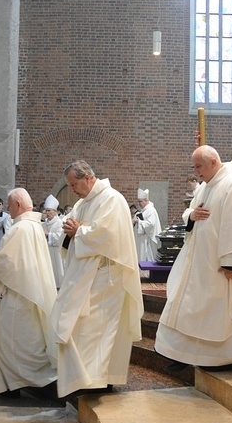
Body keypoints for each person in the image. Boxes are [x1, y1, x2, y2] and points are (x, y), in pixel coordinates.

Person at [155, 146, 232, 371]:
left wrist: (231, 262)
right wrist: (191, 215)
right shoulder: (206, 186)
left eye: (199, 166)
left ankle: (219, 358)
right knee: (189, 305)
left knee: (217, 311)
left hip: (219, 264)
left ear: (213, 162)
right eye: (195, 167)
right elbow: (190, 211)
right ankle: (182, 353)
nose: (196, 172)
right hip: (199, 260)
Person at [49, 160, 144, 397]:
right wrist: (72, 229)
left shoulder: (112, 199)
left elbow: (108, 236)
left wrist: (78, 230)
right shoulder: (83, 203)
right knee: (83, 330)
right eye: (70, 185)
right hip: (87, 277)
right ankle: (85, 378)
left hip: (107, 278)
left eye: (74, 184)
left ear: (89, 177)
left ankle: (99, 380)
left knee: (99, 331)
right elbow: (72, 231)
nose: (72, 190)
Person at [0, 188, 58, 397]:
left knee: (6, 340)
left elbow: (7, 263)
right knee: (27, 339)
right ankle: (12, 383)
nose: (8, 209)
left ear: (18, 205)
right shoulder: (35, 226)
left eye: (9, 204)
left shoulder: (19, 229)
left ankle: (12, 384)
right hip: (29, 291)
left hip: (17, 295)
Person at [43, 194, 65, 288]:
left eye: (49, 211)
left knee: (57, 275)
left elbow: (60, 238)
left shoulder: (59, 223)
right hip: (46, 253)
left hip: (56, 254)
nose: (47, 213)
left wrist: (48, 235)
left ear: (55, 212)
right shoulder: (43, 224)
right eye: (46, 211)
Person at [133, 188, 162, 263]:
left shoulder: (151, 210)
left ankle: (147, 273)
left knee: (148, 258)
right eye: (138, 201)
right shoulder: (144, 210)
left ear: (146, 200)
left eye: (140, 201)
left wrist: (139, 222)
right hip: (142, 239)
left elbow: (150, 224)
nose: (139, 203)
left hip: (148, 240)